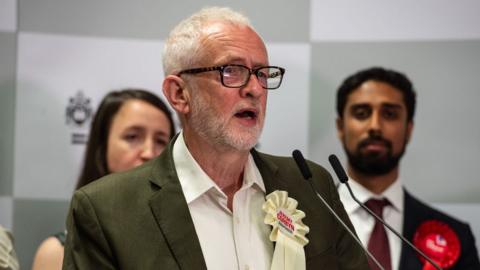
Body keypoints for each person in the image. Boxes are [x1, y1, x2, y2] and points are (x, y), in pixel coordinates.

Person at [62, 6, 370, 270]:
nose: (255, 89)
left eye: (262, 73)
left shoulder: (312, 186)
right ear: (179, 94)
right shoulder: (105, 210)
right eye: (232, 71)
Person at [335, 66, 480, 269]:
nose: (375, 126)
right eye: (361, 113)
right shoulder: (304, 221)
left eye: (390, 114)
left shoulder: (455, 237)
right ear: (341, 127)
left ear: (409, 129)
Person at [32, 89, 176, 270]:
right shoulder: (56, 254)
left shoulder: (185, 241)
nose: (149, 152)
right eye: (132, 137)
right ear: (101, 147)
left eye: (161, 141)